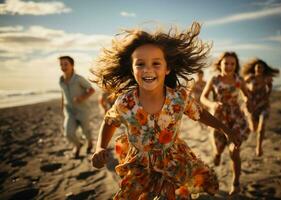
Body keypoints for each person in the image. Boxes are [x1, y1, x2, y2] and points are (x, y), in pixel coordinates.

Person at [91, 22, 240, 199]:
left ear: (167, 68)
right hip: (140, 165)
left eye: (156, 63)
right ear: (132, 69)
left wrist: (224, 128)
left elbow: (200, 114)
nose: (148, 69)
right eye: (140, 64)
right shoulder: (126, 102)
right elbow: (109, 122)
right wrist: (100, 147)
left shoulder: (178, 98)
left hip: (172, 160)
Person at [200, 51, 250, 195]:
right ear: (220, 64)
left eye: (232, 64)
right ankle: (217, 153)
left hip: (236, 119)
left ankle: (236, 183)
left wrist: (247, 101)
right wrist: (212, 104)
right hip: (219, 119)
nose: (229, 66)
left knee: (234, 151)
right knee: (219, 148)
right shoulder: (214, 79)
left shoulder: (239, 80)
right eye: (226, 63)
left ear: (236, 65)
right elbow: (203, 98)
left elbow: (247, 95)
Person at [241, 58, 279, 157]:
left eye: (261, 67)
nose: (259, 68)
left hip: (263, 106)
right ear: (254, 68)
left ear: (263, 69)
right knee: (253, 128)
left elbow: (270, 88)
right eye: (257, 66)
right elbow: (241, 87)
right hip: (251, 106)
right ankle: (251, 122)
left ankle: (259, 147)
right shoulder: (249, 77)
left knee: (262, 127)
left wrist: (267, 96)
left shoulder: (267, 78)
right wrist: (245, 98)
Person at [59, 56, 95, 158]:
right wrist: (62, 106)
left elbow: (91, 90)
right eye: (61, 64)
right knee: (68, 133)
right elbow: (63, 94)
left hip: (82, 110)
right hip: (69, 111)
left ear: (72, 65)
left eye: (65, 64)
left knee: (86, 131)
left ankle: (90, 142)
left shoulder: (79, 79)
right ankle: (78, 145)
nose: (63, 66)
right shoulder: (61, 80)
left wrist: (81, 98)